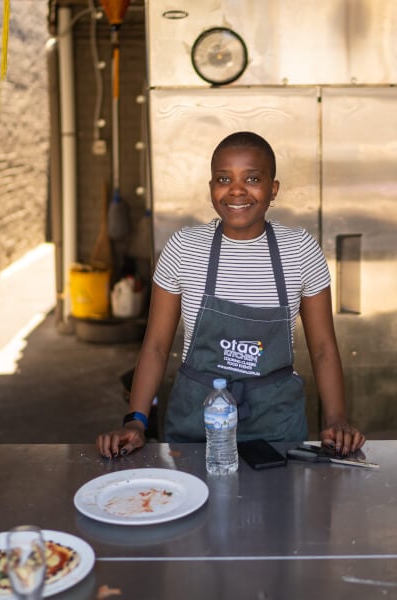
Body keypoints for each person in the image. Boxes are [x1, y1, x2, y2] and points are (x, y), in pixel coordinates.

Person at [97, 131, 365, 458]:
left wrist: (337, 420)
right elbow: (155, 346)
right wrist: (136, 421)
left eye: (252, 178)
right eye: (224, 178)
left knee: (278, 508)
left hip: (275, 427)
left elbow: (323, 348)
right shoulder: (184, 248)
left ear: (273, 189)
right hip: (196, 428)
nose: (236, 189)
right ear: (212, 188)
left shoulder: (299, 250)